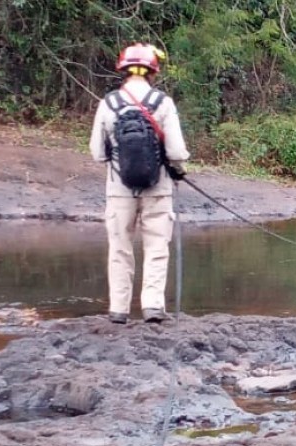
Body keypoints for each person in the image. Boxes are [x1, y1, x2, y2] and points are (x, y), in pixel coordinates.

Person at [89, 43, 190, 324]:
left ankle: (119, 310)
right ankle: (153, 307)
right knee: (157, 247)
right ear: (152, 72)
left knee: (120, 248)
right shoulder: (163, 103)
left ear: (123, 70)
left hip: (119, 189)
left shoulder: (108, 104)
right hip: (158, 188)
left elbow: (97, 153)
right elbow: (177, 153)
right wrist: (179, 170)